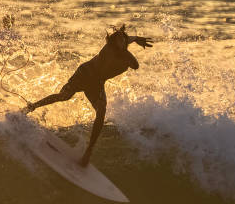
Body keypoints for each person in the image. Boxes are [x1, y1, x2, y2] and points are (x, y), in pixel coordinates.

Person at [23, 24, 153, 166]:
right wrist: (128, 47)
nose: (121, 42)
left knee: (101, 110)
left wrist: (135, 39)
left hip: (97, 83)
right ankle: (31, 107)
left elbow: (135, 63)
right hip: (85, 73)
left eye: (123, 39)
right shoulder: (109, 49)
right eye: (118, 40)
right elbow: (125, 52)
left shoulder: (124, 52)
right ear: (113, 42)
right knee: (64, 96)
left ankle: (88, 151)